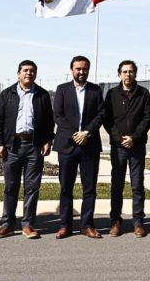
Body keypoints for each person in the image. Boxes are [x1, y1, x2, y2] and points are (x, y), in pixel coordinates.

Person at [0, 60, 54, 240]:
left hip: (34, 146)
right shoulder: (7, 94)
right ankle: (7, 225)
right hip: (12, 146)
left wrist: (48, 140)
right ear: (18, 73)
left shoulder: (42, 95)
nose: (29, 73)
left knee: (32, 187)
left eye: (32, 71)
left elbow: (50, 122)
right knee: (11, 187)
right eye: (25, 70)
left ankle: (28, 225)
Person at [53, 55, 104, 239]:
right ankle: (65, 225)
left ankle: (87, 225)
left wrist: (87, 133)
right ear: (72, 69)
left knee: (89, 188)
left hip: (89, 146)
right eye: (78, 69)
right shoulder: (62, 90)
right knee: (66, 187)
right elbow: (58, 116)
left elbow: (101, 114)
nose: (81, 72)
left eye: (84, 69)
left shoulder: (96, 90)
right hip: (67, 145)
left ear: (88, 70)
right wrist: (76, 134)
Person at [103, 60, 150, 238]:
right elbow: (107, 119)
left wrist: (134, 137)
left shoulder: (143, 93)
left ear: (135, 73)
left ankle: (138, 222)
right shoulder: (112, 94)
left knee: (137, 185)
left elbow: (147, 118)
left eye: (131, 71)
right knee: (117, 185)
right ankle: (115, 221)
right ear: (119, 74)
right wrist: (119, 138)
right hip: (118, 147)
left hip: (137, 146)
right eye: (124, 72)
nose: (128, 74)